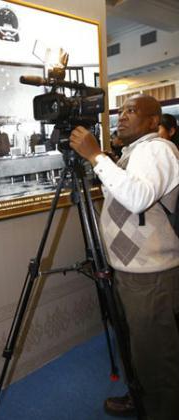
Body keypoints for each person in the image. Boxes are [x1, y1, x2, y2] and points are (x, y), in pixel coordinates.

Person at [69, 94, 179, 420]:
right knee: (138, 346)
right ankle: (141, 396)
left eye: (133, 111)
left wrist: (95, 155)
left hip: (152, 275)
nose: (123, 116)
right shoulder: (132, 153)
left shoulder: (158, 150)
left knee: (157, 355)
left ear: (152, 122)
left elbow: (137, 197)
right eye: (122, 110)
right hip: (131, 271)